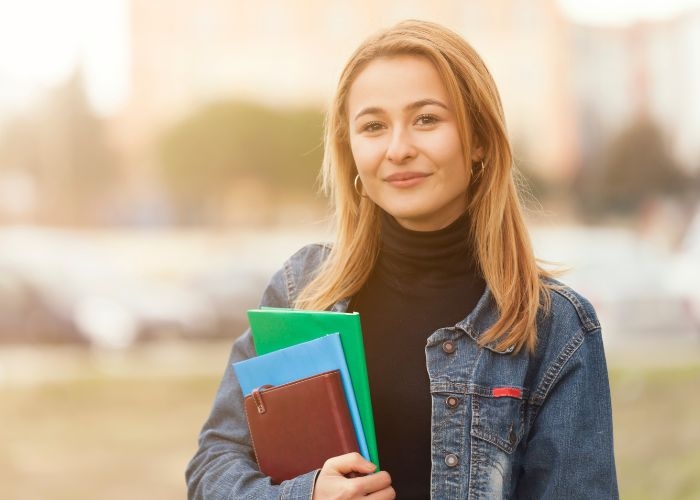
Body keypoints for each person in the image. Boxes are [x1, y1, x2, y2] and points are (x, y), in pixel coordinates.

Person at [186, 19, 618, 499]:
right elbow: (212, 470)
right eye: (373, 126)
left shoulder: (555, 326)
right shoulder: (301, 289)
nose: (398, 149)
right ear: (350, 152)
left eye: (426, 119)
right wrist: (305, 495)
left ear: (478, 141)